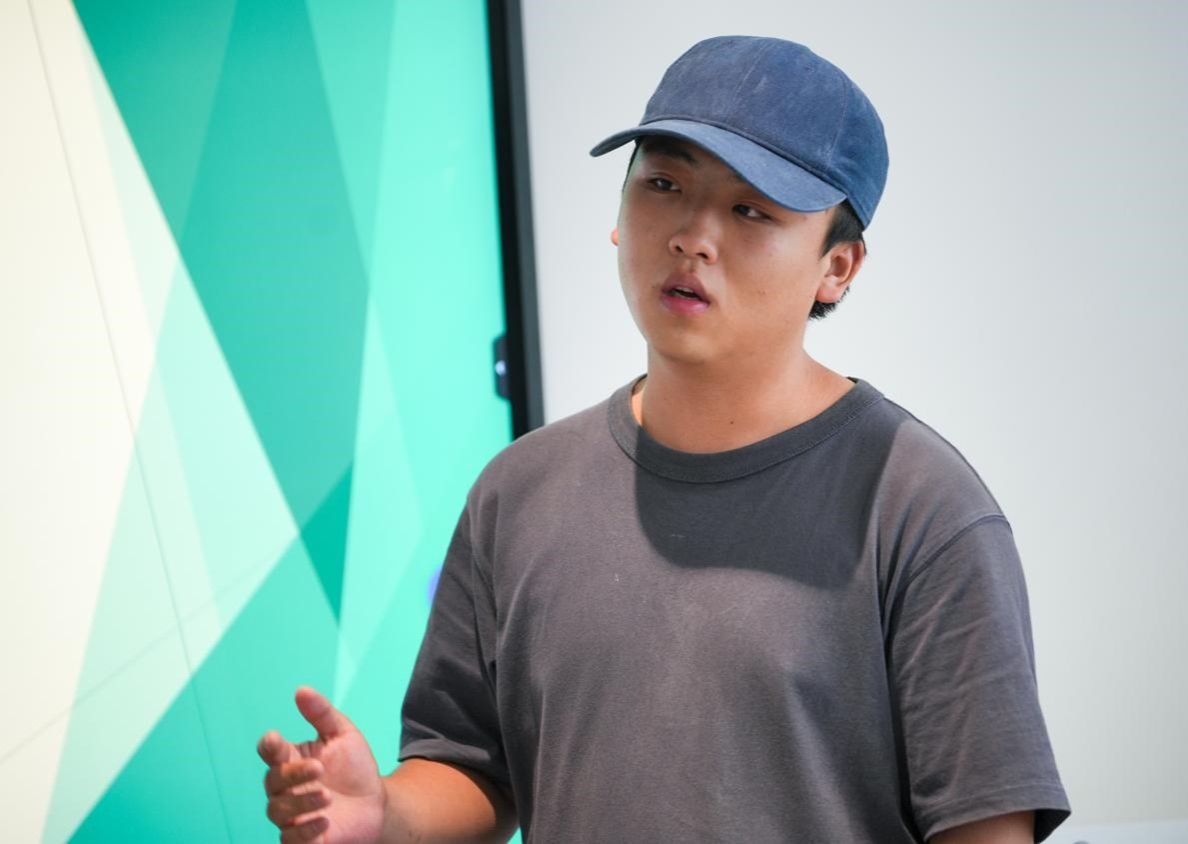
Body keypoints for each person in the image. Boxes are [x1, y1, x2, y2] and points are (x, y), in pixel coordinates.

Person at [258, 35, 1071, 843]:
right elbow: (473, 769)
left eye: (751, 210)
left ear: (839, 267)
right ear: (618, 215)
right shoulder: (518, 491)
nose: (692, 236)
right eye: (663, 184)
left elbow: (984, 828)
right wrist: (383, 815)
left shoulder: (921, 508)